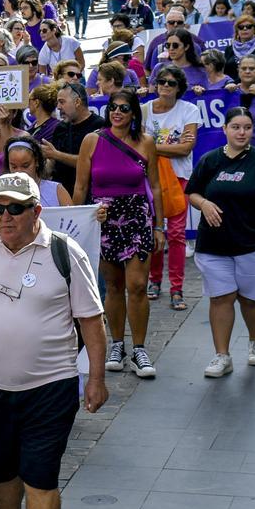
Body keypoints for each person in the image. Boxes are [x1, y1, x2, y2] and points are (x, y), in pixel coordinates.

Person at [0, 173, 107, 509]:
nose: (5, 216)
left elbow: (91, 320)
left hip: (50, 386)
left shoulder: (64, 252)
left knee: (40, 477)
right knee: (0, 474)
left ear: (37, 211)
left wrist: (96, 378)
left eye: (16, 208)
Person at [188, 107, 255, 377]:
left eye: (247, 127)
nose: (242, 132)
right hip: (214, 246)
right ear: (225, 129)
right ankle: (222, 355)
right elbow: (193, 193)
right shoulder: (210, 160)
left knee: (251, 300)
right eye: (236, 127)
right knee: (221, 297)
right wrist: (204, 203)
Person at [73, 90, 164, 378]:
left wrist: (158, 225)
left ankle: (139, 348)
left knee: (137, 285)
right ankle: (117, 344)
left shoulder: (146, 142)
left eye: (124, 108)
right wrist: (76, 224)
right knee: (112, 285)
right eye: (113, 107)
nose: (118, 112)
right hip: (103, 217)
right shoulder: (93, 141)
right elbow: (80, 187)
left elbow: (156, 187)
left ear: (133, 112)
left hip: (136, 217)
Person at [142, 64, 199, 311]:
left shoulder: (189, 110)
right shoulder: (144, 111)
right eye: (162, 81)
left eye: (171, 83)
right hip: (150, 178)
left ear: (179, 88)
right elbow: (138, 146)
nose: (165, 86)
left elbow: (186, 149)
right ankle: (154, 280)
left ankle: (176, 287)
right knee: (155, 230)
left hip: (178, 178)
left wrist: (151, 147)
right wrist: (168, 148)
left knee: (176, 235)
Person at [0, 136, 72, 207]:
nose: (19, 172)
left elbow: (75, 222)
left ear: (36, 162)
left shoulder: (57, 191)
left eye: (25, 165)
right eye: (14, 166)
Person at [222, 14, 255, 85]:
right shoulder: (229, 49)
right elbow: (224, 74)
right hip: (235, 91)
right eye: (241, 27)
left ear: (254, 30)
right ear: (237, 31)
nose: (244, 29)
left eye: (249, 26)